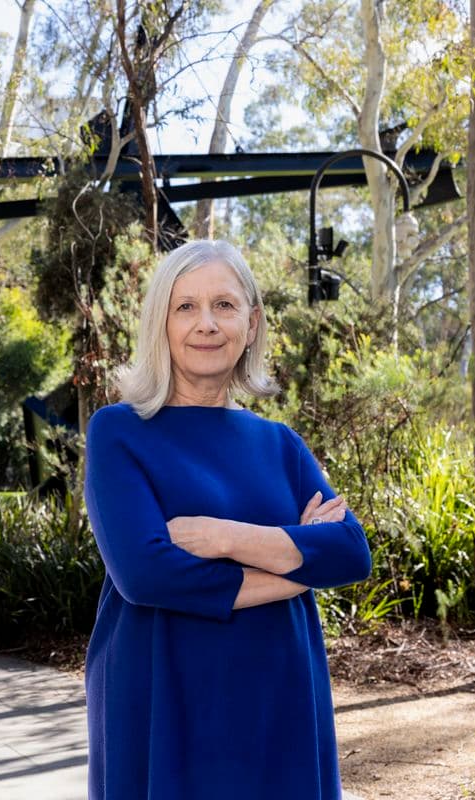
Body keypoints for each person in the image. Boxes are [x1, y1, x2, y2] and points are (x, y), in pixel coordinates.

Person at [83, 239, 372, 799]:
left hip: (277, 686)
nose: (206, 324)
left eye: (224, 305)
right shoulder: (119, 430)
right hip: (162, 686)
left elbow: (350, 552)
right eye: (185, 306)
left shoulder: (280, 443)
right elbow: (146, 575)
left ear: (252, 322)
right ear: (160, 323)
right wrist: (296, 564)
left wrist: (224, 537)